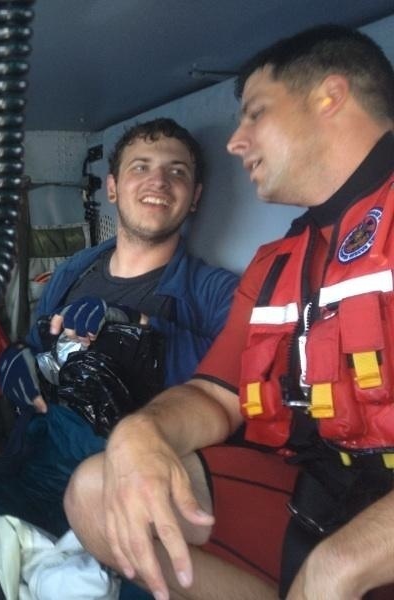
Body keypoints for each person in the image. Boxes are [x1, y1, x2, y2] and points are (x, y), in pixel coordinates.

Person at [64, 25, 394, 600]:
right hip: (313, 494)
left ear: (330, 97)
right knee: (96, 490)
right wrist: (140, 433)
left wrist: (342, 564)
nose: (236, 141)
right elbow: (216, 395)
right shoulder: (276, 265)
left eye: (255, 113)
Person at [0, 118, 238, 599]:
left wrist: (137, 331)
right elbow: (39, 349)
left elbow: (238, 387)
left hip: (126, 488)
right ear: (111, 188)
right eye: (140, 168)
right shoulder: (72, 274)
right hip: (40, 475)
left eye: (177, 172)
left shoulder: (216, 293)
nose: (158, 182)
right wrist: (23, 361)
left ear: (194, 196)